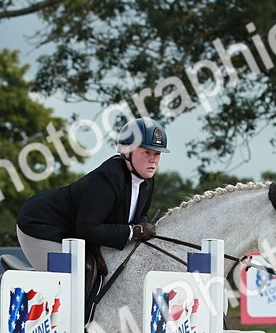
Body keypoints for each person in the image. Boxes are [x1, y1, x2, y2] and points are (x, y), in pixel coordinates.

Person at [15, 117, 169, 272]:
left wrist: (140, 227)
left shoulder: (147, 181)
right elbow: (87, 229)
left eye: (157, 154)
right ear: (127, 152)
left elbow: (139, 216)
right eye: (146, 152)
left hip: (75, 233)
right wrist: (133, 231)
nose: (153, 160)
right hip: (42, 224)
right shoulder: (108, 178)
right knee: (70, 275)